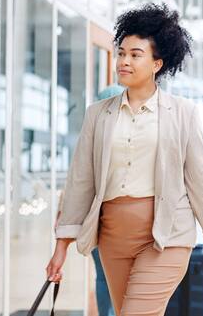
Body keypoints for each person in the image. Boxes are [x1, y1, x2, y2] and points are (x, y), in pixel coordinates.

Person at [46, 3, 203, 316]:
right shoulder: (98, 115)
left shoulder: (182, 114)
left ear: (157, 64)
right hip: (112, 239)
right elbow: (81, 180)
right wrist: (61, 247)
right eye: (122, 53)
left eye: (135, 55)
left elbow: (199, 181)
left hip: (166, 236)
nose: (124, 61)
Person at [92, 84, 124, 316]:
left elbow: (78, 181)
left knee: (103, 277)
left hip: (97, 223)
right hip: (122, 223)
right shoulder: (133, 137)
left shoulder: (93, 136)